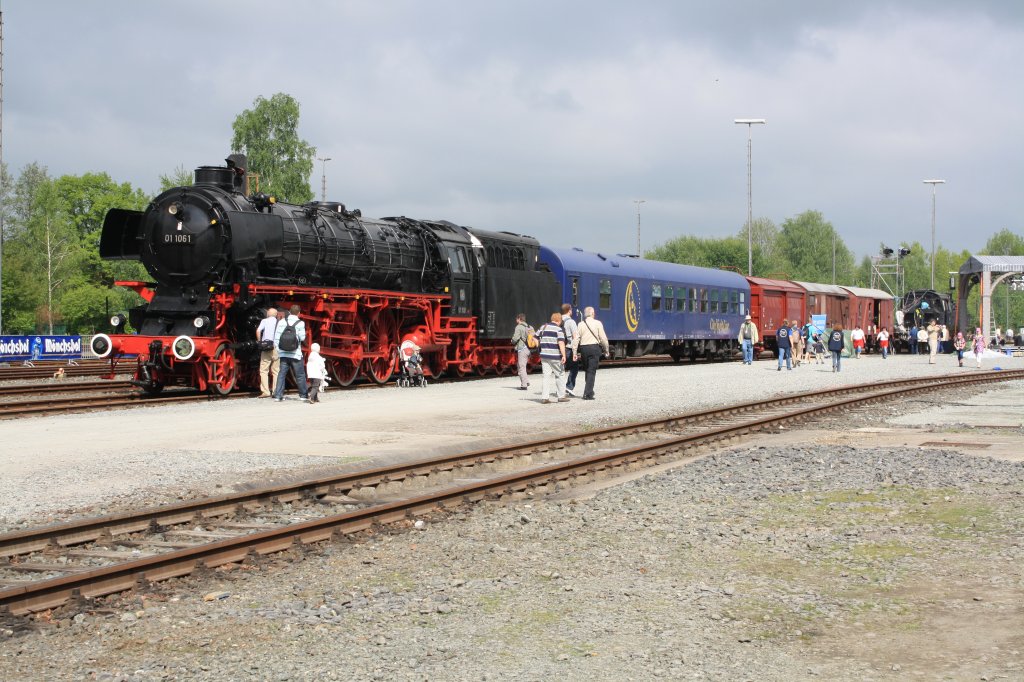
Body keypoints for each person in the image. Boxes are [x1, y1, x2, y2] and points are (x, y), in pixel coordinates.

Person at [273, 304, 309, 401]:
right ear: (299, 313)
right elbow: (302, 338)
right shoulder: (300, 323)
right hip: (295, 354)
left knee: (281, 374)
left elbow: (277, 337)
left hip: (283, 353)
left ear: (289, 311)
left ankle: (278, 395)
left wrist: (278, 350)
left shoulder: (281, 321)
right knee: (300, 375)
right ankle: (303, 395)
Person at [575, 306, 609, 400]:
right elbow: (603, 339)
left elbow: (576, 338)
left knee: (587, 370)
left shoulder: (580, 324)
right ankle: (587, 393)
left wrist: (574, 352)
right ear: (593, 313)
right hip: (594, 348)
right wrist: (606, 350)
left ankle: (589, 391)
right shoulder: (598, 323)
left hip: (583, 349)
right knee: (591, 371)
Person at [537, 312, 569, 404]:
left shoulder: (543, 327)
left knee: (546, 376)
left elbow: (535, 338)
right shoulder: (558, 330)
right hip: (555, 357)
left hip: (544, 356)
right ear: (559, 321)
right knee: (560, 374)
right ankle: (561, 396)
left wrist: (539, 346)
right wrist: (564, 355)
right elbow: (561, 343)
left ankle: (544, 398)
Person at [255, 307, 279, 398]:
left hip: (266, 347)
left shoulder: (264, 321)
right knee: (276, 371)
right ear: (276, 315)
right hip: (276, 348)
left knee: (263, 370)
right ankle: (276, 391)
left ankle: (266, 391)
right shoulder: (279, 322)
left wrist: (260, 342)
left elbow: (258, 331)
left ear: (268, 314)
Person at [510, 313, 533, 390]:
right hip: (528, 349)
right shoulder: (529, 327)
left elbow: (515, 338)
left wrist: (512, 341)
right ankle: (526, 381)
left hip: (522, 349)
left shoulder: (519, 327)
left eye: (516, 319)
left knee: (521, 367)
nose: (516, 320)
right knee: (522, 366)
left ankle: (524, 385)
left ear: (519, 319)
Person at [561, 304, 580, 395]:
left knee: (561, 369)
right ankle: (569, 386)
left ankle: (560, 388)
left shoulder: (558, 320)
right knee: (574, 367)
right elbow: (575, 337)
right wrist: (575, 351)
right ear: (569, 310)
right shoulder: (571, 322)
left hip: (560, 347)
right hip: (569, 348)